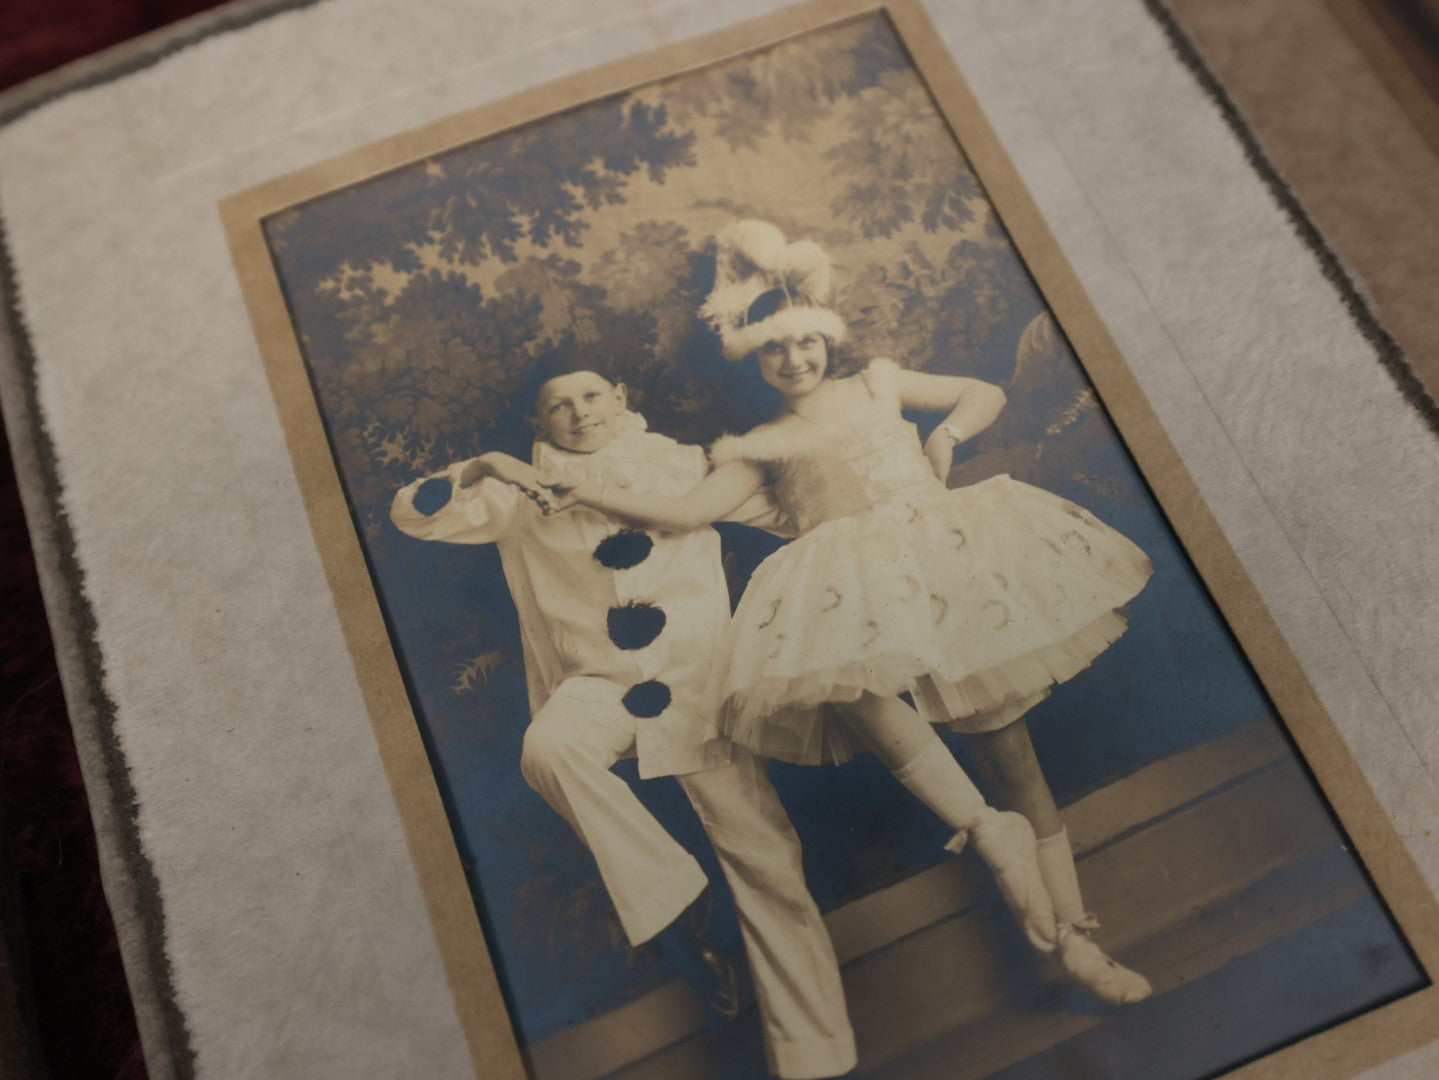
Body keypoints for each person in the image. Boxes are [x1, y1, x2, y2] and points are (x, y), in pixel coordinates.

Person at [544, 220, 1156, 1006]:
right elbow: (683, 511)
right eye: (775, 349)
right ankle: (993, 844)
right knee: (841, 678)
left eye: (804, 341)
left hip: (948, 573)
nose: (795, 359)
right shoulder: (759, 442)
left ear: (825, 335)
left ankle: (1076, 937)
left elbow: (983, 391)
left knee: (1013, 756)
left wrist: (946, 442)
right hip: (852, 592)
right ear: (753, 359)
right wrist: (586, 489)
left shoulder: (878, 384)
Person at [389, 360, 857, 1079]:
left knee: (766, 862)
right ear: (536, 425)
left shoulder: (680, 465)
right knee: (547, 749)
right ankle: (676, 897)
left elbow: (786, 510)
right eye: (557, 406)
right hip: (599, 685)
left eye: (591, 396)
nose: (578, 413)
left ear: (621, 400)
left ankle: (816, 1058)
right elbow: (416, 513)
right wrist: (486, 465)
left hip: (700, 682)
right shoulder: (514, 493)